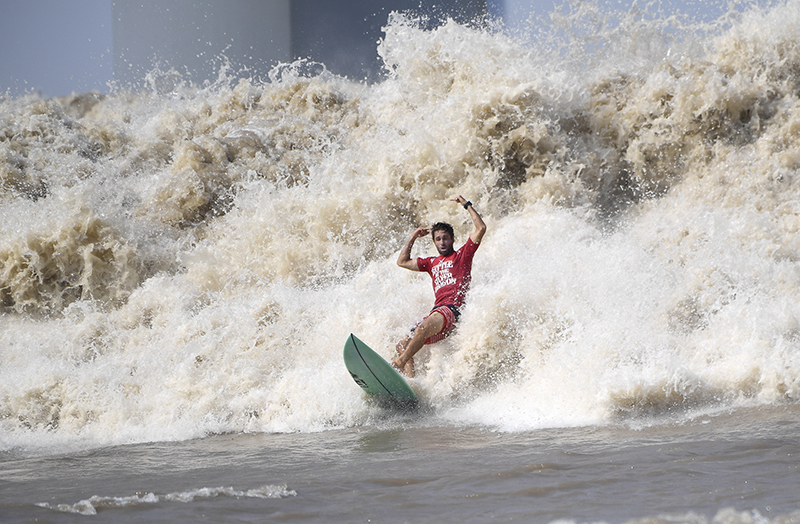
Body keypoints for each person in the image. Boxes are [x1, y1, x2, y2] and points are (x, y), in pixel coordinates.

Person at [392, 195, 487, 377]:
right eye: (438, 239)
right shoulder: (431, 262)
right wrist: (413, 236)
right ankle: (410, 385)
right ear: (434, 241)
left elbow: (481, 228)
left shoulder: (462, 255)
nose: (442, 242)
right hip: (437, 313)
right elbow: (402, 262)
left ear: (452, 239)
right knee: (402, 344)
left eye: (445, 238)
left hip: (452, 311)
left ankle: (399, 363)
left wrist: (466, 205)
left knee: (421, 329)